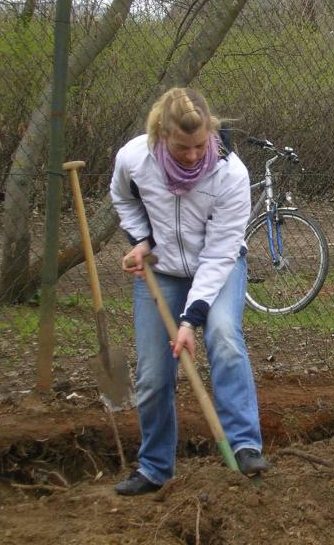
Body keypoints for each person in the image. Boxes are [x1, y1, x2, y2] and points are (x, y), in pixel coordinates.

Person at [110, 87, 269, 496]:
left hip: (219, 265)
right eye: (183, 147)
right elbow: (122, 197)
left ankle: (245, 445)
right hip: (162, 271)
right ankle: (154, 468)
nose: (194, 155)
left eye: (200, 144)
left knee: (224, 336)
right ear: (162, 134)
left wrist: (189, 321)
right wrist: (142, 239)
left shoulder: (230, 173)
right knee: (152, 373)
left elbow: (219, 253)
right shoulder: (134, 158)